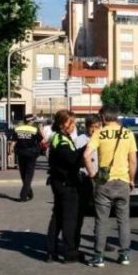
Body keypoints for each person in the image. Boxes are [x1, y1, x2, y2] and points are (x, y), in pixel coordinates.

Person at [83, 105, 137, 268]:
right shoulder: (128, 134)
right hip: (122, 181)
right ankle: (125, 254)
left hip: (104, 182)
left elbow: (86, 155)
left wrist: (92, 173)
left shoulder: (99, 133)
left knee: (101, 220)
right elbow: (133, 160)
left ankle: (99, 257)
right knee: (123, 220)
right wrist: (132, 179)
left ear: (104, 118)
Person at [45, 110, 82, 263]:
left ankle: (51, 252)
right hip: (66, 183)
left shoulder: (59, 137)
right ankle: (69, 253)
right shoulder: (61, 140)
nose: (73, 125)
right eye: (70, 122)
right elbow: (71, 159)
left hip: (58, 181)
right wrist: (87, 148)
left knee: (58, 217)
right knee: (69, 219)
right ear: (62, 124)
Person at [73, 114, 102, 251]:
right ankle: (75, 240)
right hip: (84, 178)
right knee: (80, 211)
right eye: (92, 127)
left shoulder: (102, 138)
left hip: (99, 178)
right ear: (86, 127)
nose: (95, 130)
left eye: (98, 127)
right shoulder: (80, 140)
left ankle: (100, 240)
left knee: (100, 212)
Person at [8, 114, 43, 202]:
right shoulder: (34, 130)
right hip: (31, 154)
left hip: (21, 153)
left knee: (23, 174)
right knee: (28, 175)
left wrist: (10, 151)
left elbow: (13, 142)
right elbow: (42, 140)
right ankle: (24, 195)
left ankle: (28, 192)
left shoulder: (18, 129)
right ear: (31, 121)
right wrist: (41, 130)